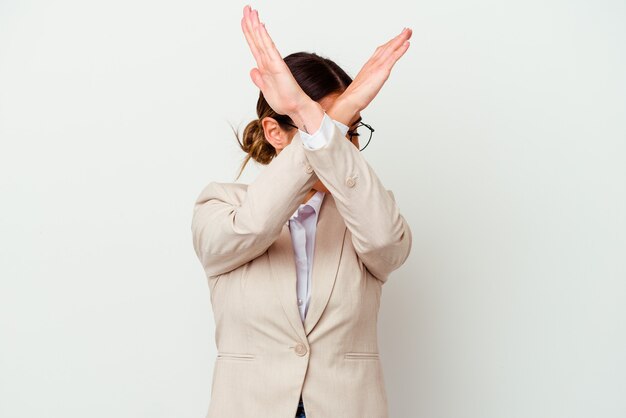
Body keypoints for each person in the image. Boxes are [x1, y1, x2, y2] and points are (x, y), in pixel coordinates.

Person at [190, 4, 413, 417]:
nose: (337, 146)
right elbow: (252, 227)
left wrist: (321, 124)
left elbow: (387, 245)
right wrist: (330, 123)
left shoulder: (366, 211)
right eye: (318, 127)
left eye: (349, 129)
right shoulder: (221, 206)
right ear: (275, 132)